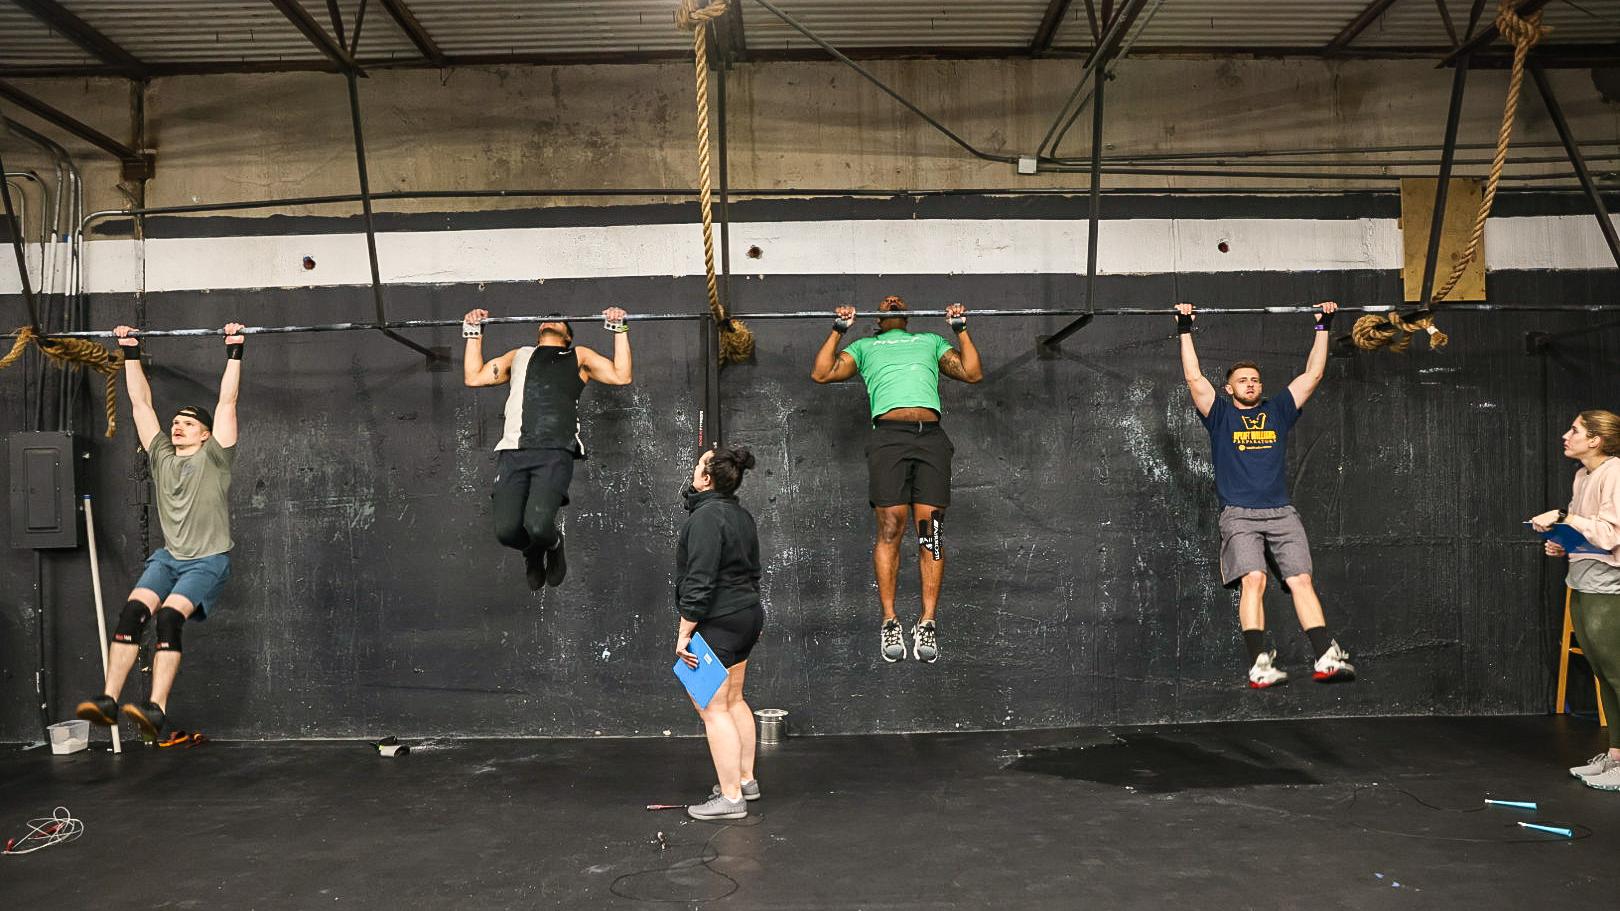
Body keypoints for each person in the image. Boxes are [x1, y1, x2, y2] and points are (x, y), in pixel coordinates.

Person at [75, 322, 244, 742]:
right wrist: (130, 351)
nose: (178, 426)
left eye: (188, 423)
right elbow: (141, 405)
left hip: (207, 561)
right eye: (176, 422)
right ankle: (108, 700)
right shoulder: (162, 456)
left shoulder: (216, 457)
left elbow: (227, 401)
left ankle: (156, 710)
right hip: (169, 558)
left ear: (206, 434)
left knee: (168, 617)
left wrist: (235, 350)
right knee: (132, 614)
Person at [1175, 301, 1355, 688]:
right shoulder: (1220, 416)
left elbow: (1313, 374)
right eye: (1242, 380)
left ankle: (1325, 656)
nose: (1250, 384)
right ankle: (1258, 663)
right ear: (1229, 388)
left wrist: (1322, 326)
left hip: (1281, 513)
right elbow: (1193, 377)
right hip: (1239, 514)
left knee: (1301, 579)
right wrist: (1184, 329)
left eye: (1255, 380)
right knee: (1253, 579)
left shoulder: (1278, 411)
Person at [810, 295, 982, 663]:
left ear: (907, 314)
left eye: (897, 300)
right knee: (891, 525)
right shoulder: (865, 347)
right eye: (886, 300)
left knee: (930, 530)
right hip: (888, 437)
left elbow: (972, 372)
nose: (891, 300)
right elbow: (822, 373)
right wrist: (839, 329)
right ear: (877, 318)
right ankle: (890, 620)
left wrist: (960, 329)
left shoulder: (930, 342)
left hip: (930, 437)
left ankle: (927, 621)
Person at [462, 308, 631, 589]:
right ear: (539, 329)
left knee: (539, 526)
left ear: (568, 335)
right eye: (546, 317)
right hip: (513, 451)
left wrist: (619, 327)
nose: (551, 318)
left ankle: (553, 544)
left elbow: (621, 375)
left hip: (554, 452)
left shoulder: (579, 357)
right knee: (506, 532)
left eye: (559, 318)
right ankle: (532, 551)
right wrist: (473, 330)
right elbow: (474, 377)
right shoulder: (519, 356)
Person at [1531, 410, 1620, 791]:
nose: (1566, 436)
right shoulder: (1583, 475)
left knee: (1617, 674)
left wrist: (1566, 516)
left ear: (1595, 440)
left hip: (1609, 586)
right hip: (1582, 581)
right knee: (1603, 673)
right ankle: (1616, 756)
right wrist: (1562, 542)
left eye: (1575, 430)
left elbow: (1611, 533)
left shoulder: (1615, 472)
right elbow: (1588, 533)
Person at [675, 446, 764, 821]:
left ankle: (730, 798)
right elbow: (753, 573)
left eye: (699, 466)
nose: (694, 470)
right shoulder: (740, 515)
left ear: (707, 479)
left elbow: (700, 581)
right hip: (746, 616)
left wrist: (684, 634)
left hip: (720, 620)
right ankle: (745, 781)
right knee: (734, 699)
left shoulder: (706, 519)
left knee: (712, 708)